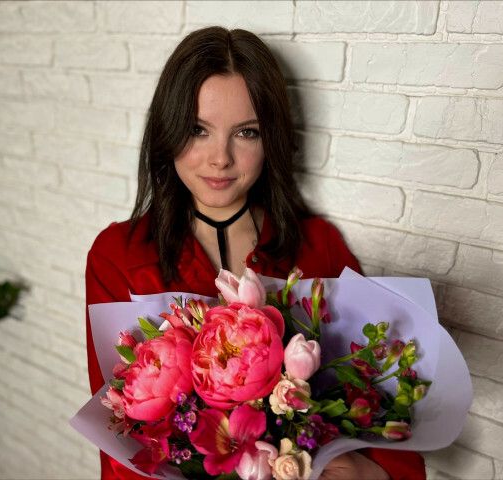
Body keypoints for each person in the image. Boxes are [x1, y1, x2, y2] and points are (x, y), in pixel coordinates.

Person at [85, 26, 426, 480]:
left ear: (272, 139)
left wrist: (366, 471)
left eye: (246, 133)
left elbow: (382, 404)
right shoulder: (118, 256)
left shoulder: (319, 245)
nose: (220, 158)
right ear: (167, 130)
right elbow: (118, 436)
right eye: (197, 130)